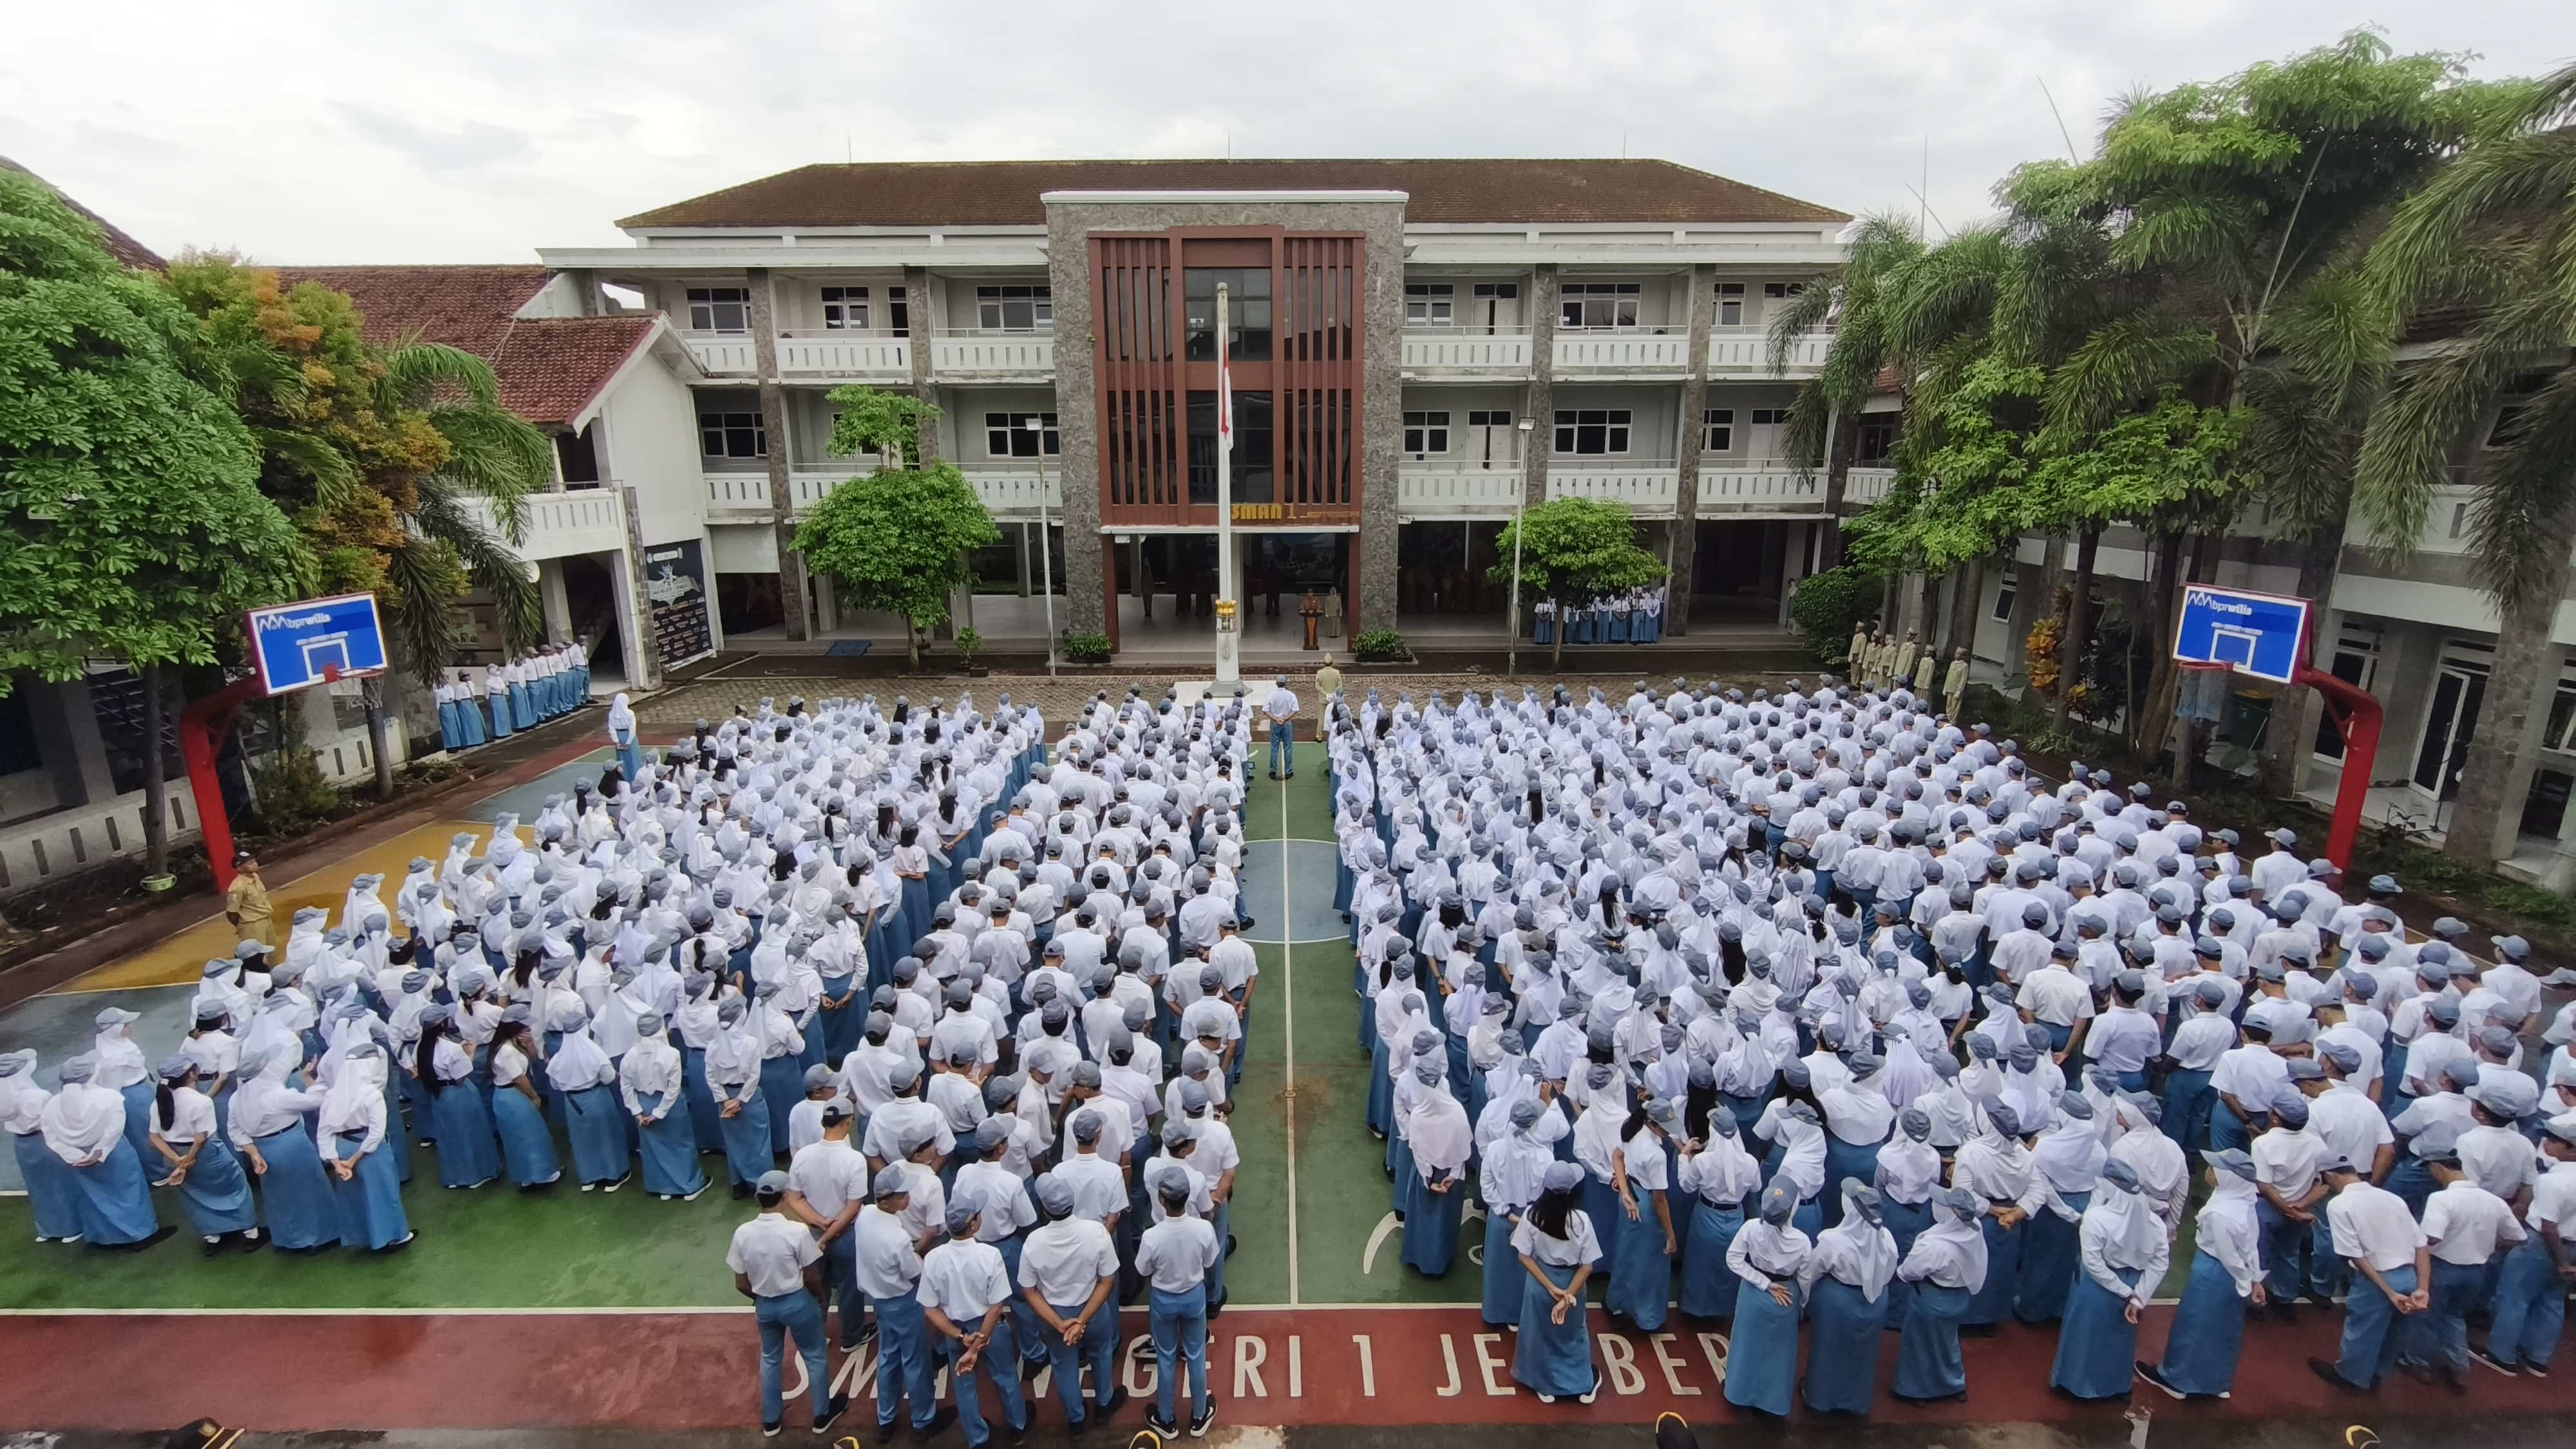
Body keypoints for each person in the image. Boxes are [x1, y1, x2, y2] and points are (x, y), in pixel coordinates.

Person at [2401, 1123, 2523, 1390]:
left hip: (2443, 1268)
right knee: (2455, 1318)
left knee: (2427, 1317)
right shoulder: (2494, 1201)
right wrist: (2490, 1246)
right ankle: (2458, 1367)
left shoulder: (2441, 1200)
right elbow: (2518, 1237)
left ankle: (2418, 1362)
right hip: (2477, 1270)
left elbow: (2430, 1238)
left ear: (2438, 1167)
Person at [728, 1169, 848, 1436]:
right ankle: (821, 1415)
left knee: (770, 1358)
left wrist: (761, 1299)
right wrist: (819, 1298)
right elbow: (812, 1275)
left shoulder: (742, 1233)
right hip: (797, 1302)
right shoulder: (796, 1231)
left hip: (765, 1307)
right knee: (815, 1356)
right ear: (783, 1198)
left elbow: (741, 1283)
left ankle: (771, 1420)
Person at [2139, 1148, 2261, 1400]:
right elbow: (2251, 1246)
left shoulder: (2220, 1214)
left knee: (2195, 1324)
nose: (2210, 1172)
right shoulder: (2245, 1202)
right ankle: (2214, 1381)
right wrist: (2254, 1278)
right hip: (2233, 1275)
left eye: (2216, 1168)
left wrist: (2245, 1281)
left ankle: (2177, 1378)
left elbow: (2229, 1256)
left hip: (2214, 1272)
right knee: (2223, 1328)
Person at [2047, 1158, 2166, 1399]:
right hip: (2134, 1284)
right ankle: (2116, 1386)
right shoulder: (2154, 1223)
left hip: (2098, 1287)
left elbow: (2093, 1264)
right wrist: (2138, 1297)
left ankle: (2078, 1387)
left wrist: (2124, 1291)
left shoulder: (2096, 1219)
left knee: (2085, 1334)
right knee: (2120, 1338)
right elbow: (2160, 1262)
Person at [2312, 1154, 2430, 1394]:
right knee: (2395, 1333)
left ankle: (2351, 1378)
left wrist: (2389, 1291)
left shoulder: (2339, 1205)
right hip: (2409, 1275)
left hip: (2378, 1280)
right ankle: (2377, 1375)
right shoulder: (2392, 1198)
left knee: (2363, 1331)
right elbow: (2421, 1246)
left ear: (2330, 1176)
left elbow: (2355, 1255)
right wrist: (2423, 1288)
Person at [1019, 1173, 1125, 1435]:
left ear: (1044, 1208)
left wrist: (1061, 1324)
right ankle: (1104, 1404)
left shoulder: (1034, 1242)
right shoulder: (1096, 1232)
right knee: (1101, 1355)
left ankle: (1076, 1420)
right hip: (1093, 1311)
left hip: (1053, 1316)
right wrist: (1083, 1321)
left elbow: (1029, 1291)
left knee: (1062, 1364)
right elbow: (1107, 1280)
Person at [922, 1194, 1030, 1449]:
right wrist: (979, 1339)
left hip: (955, 1329)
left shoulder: (934, 1258)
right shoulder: (989, 1255)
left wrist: (961, 1337)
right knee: (1006, 1377)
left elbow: (930, 1309)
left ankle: (977, 1440)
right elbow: (996, 1307)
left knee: (964, 1386)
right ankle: (1018, 1428)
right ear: (973, 1225)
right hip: (990, 1328)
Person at [2477, 1111, 2576, 1376]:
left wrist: (2562, 1262)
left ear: (2571, 1148)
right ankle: (2537, 1359)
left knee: (2514, 1297)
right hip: (2573, 1246)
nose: (2546, 1140)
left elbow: (2549, 1226)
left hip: (2543, 1245)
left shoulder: (2552, 1180)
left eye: (2554, 1138)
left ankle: (2502, 1355)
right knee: (2552, 1300)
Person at [856, 1166, 949, 1441]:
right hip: (903, 1301)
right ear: (887, 1200)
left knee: (888, 1357)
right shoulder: (896, 1239)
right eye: (902, 1194)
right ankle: (923, 1421)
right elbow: (914, 1272)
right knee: (916, 1361)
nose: (908, 1197)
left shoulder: (866, 1215)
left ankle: (886, 1419)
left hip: (880, 1301)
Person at [39, 1054, 166, 1249]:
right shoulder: (110, 1097)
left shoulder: (51, 1106)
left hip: (78, 1159)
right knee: (129, 1190)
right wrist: (100, 1151)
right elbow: (115, 1129)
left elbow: (51, 1137)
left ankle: (105, 1236)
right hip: (114, 1153)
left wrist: (75, 1156)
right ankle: (142, 1234)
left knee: (95, 1196)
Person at [1133, 1173, 1221, 1437]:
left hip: (1163, 1300)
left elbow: (1142, 1269)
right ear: (1187, 1197)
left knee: (1166, 1357)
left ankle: (1166, 1419)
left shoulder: (1152, 1236)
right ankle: (1199, 1415)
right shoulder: (1203, 1229)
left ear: (1162, 1199)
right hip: (1194, 1297)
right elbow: (1209, 1262)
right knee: (1196, 1355)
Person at [1801, 1179, 1899, 1415]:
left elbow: (1811, 1273)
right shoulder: (1887, 1239)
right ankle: (1856, 1401)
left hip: (1837, 1301)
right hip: (1875, 1300)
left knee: (1828, 1350)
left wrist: (1803, 1302)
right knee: (1862, 1354)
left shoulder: (1833, 1241)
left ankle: (1820, 1400)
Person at [1512, 1160, 1603, 1404]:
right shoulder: (1581, 1221)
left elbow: (1524, 1257)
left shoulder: (1532, 1215)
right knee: (1573, 1334)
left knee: (1540, 1334)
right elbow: (1588, 1266)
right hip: (1572, 1283)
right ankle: (1582, 1385)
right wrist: (1567, 1295)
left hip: (1541, 1284)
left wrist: (1550, 1287)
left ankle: (1545, 1385)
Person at [1723, 1182, 1812, 1417]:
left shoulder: (1752, 1228)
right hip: (1786, 1296)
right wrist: (1801, 1305)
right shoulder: (1802, 1242)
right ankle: (1770, 1402)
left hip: (1754, 1293)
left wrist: (1763, 1283)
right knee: (1778, 1354)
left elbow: (1734, 1260)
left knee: (1745, 1345)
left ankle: (1738, 1392)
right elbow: (1805, 1279)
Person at [1891, 1186, 1987, 1403]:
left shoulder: (1934, 1245)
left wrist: (1901, 1273)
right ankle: (1954, 1384)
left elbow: (1910, 1271)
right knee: (1948, 1341)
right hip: (1960, 1297)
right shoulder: (1974, 1229)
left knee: (1920, 1344)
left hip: (1932, 1298)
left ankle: (1915, 1391)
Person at [318, 1042, 413, 1251]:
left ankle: (364, 1237)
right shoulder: (372, 1094)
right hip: (370, 1152)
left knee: (355, 1198)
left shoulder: (333, 1095)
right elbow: (376, 1134)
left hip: (342, 1148)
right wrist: (353, 1161)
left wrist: (337, 1163)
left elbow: (324, 1133)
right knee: (385, 1194)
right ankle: (395, 1236)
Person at [1, 1051, 84, 1244]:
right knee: (61, 1183)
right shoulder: (36, 1095)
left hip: (22, 1145)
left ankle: (48, 1229)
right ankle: (71, 1227)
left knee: (38, 1187)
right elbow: (53, 1118)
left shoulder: (4, 1099)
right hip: (44, 1141)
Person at [623, 1012, 708, 1201]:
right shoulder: (671, 1054)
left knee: (655, 1146)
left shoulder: (629, 1056)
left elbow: (626, 1087)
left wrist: (637, 1112)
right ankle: (690, 1185)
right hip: (669, 1104)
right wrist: (659, 1113)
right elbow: (673, 1088)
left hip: (643, 1102)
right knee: (680, 1142)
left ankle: (663, 1187)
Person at [224, 851, 274, 951]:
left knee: (272, 951)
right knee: (258, 955)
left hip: (266, 919)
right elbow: (231, 912)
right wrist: (244, 927)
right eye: (250, 863)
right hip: (251, 925)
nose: (254, 864)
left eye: (254, 861)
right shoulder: (237, 887)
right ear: (239, 868)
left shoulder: (256, 877)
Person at [1263, 676, 1298, 781]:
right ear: (1286, 683)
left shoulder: (1271, 695)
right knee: (1288, 748)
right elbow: (1295, 710)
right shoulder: (1291, 695)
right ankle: (1288, 771)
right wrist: (1285, 719)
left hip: (1275, 724)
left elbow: (1266, 710)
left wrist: (1276, 719)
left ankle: (1273, 771)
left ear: (1277, 683)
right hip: (1287, 724)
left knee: (1274, 748)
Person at [608, 692, 643, 782]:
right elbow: (632, 729)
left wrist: (616, 741)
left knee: (622, 759)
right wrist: (629, 742)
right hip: (629, 736)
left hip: (619, 736)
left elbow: (611, 728)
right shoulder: (630, 713)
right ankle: (636, 779)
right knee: (634, 758)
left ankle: (624, 779)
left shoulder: (612, 714)